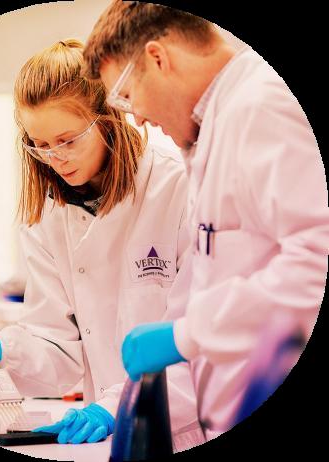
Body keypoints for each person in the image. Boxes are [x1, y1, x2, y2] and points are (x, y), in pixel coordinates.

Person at [0, 39, 206, 449]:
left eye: (67, 139)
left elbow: (201, 340)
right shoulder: (45, 216)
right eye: (39, 145)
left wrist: (114, 408)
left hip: (186, 428)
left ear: (108, 118)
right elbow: (58, 349)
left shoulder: (178, 187)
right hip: (102, 438)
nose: (54, 158)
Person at [82, 1, 328, 440]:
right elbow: (214, 278)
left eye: (126, 94)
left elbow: (316, 266)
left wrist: (186, 335)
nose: (135, 116)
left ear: (158, 58)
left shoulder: (261, 106)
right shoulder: (211, 129)